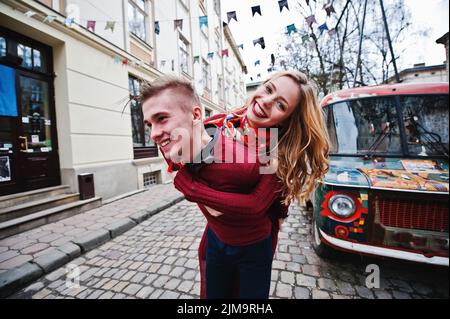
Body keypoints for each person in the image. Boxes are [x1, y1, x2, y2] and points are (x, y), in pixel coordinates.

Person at [140, 75, 285, 299]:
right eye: (149, 124)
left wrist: (190, 188)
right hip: (217, 240)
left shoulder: (262, 156)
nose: (153, 134)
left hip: (254, 244)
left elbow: (256, 205)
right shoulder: (214, 125)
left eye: (161, 118)